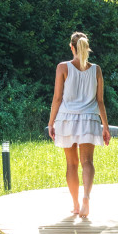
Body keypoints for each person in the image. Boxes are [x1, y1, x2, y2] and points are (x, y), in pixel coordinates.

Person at [48, 32, 111, 218]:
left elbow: (57, 98)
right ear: (86, 47)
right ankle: (86, 198)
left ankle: (75, 205)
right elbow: (100, 101)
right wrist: (105, 126)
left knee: (71, 164)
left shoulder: (63, 67)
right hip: (89, 120)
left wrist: (51, 122)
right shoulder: (96, 70)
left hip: (66, 119)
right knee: (87, 162)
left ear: (72, 47)